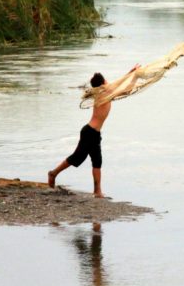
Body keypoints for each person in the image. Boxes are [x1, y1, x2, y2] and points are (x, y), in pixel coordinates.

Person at [48, 64, 141, 198]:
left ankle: (97, 191)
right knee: (77, 158)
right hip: (89, 132)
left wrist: (131, 72)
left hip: (94, 133)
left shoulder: (103, 92)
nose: (109, 82)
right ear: (103, 83)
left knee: (97, 161)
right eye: (106, 80)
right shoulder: (105, 93)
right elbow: (126, 89)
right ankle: (53, 173)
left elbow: (119, 84)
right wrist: (135, 76)